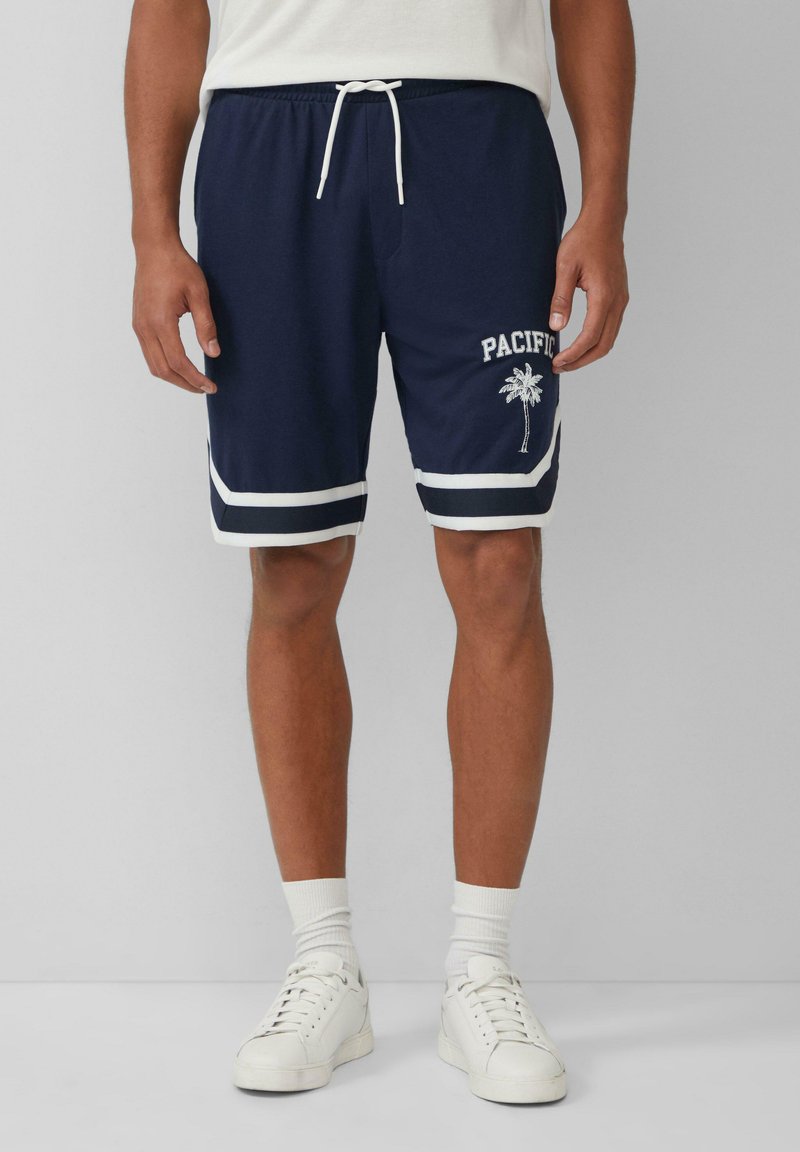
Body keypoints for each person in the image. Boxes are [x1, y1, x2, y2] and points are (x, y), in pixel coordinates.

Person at [125, 0, 634, 1104]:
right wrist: (152, 232)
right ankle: (325, 966)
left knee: (498, 560)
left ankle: (479, 968)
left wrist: (606, 204)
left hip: (480, 146)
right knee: (291, 564)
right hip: (268, 145)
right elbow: (169, 9)